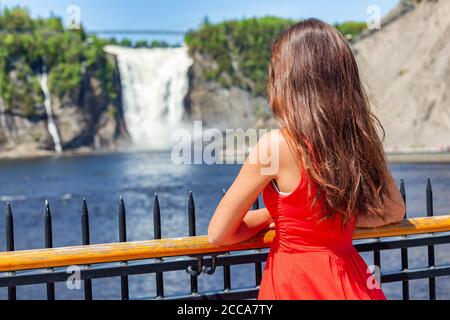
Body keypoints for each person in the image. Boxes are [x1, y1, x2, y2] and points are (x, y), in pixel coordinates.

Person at [207, 19, 406, 300]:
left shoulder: (275, 147)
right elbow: (394, 211)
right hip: (350, 281)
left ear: (288, 79)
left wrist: (273, 216)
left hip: (295, 283)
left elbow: (218, 234)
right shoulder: (358, 137)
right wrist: (337, 220)